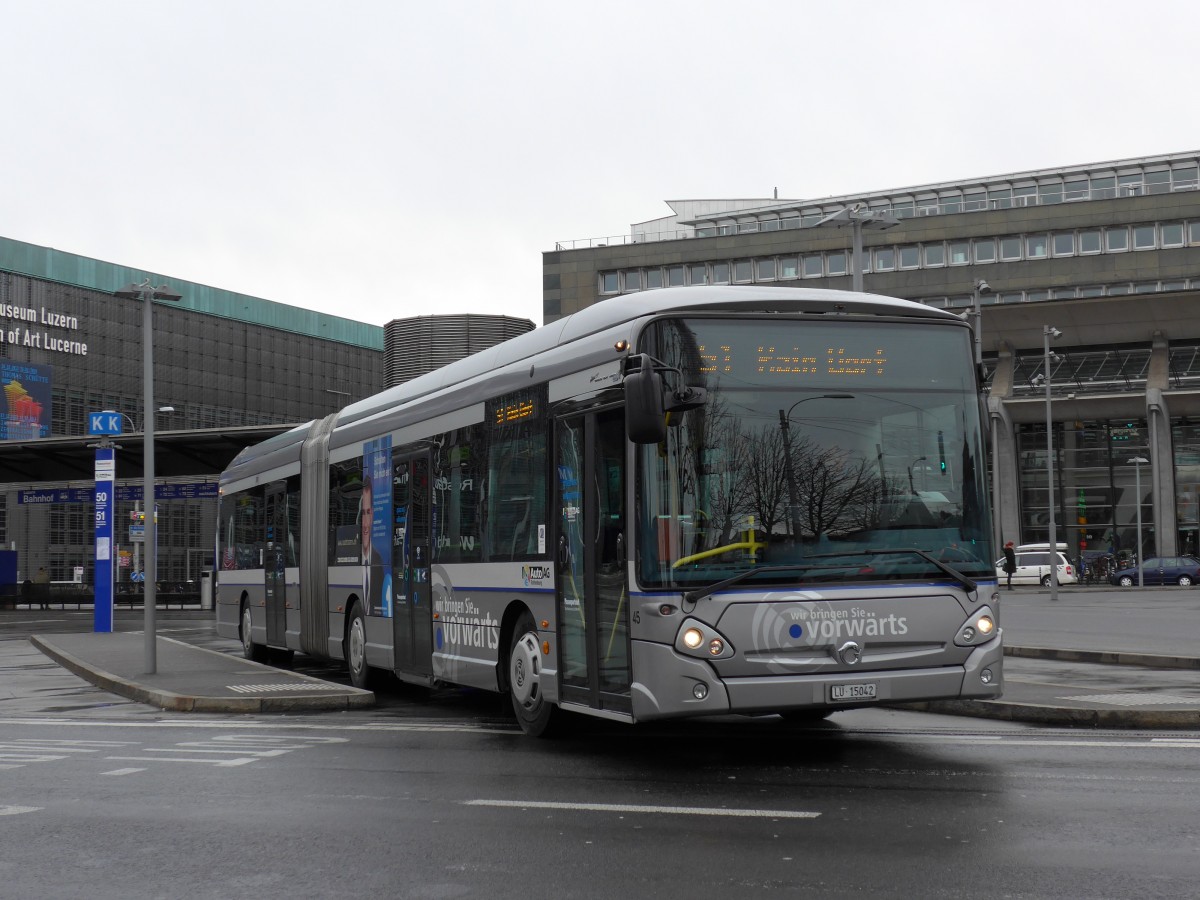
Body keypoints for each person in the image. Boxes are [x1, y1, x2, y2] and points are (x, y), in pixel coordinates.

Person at [360, 478, 385, 616]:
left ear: (373, 515)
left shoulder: (378, 562)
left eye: (368, 512)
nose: (364, 523)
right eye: (362, 513)